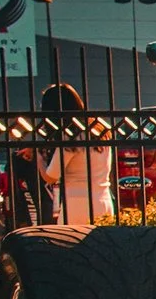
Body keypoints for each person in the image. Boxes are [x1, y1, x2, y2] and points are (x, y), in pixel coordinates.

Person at [36, 83, 117, 225]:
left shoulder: (70, 137)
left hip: (76, 204)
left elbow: (50, 176)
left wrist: (38, 159)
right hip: (103, 200)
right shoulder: (100, 131)